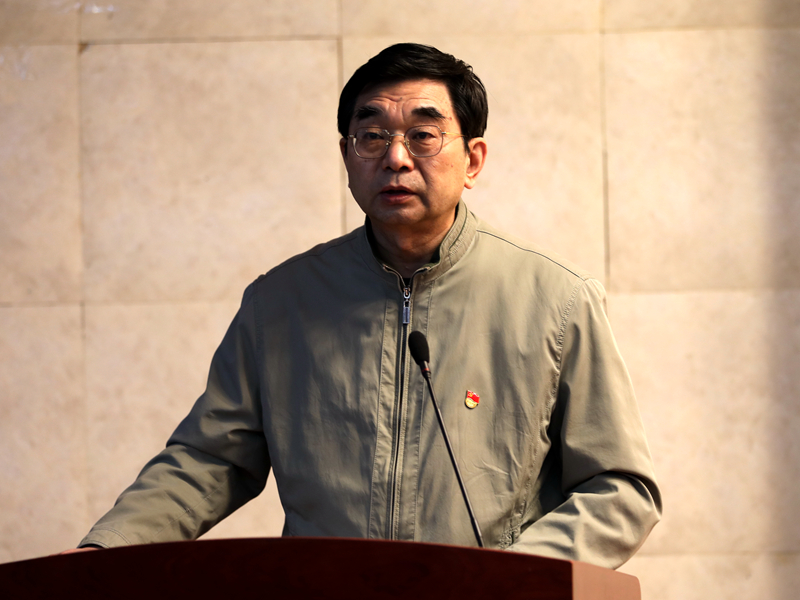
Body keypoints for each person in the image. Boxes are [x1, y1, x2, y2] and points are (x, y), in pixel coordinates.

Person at [74, 43, 661, 568]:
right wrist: (105, 552)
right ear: (347, 154)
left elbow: (621, 489)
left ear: (473, 160)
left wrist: (508, 580)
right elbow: (210, 460)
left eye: (423, 135)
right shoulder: (280, 303)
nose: (396, 157)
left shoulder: (557, 299)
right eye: (372, 136)